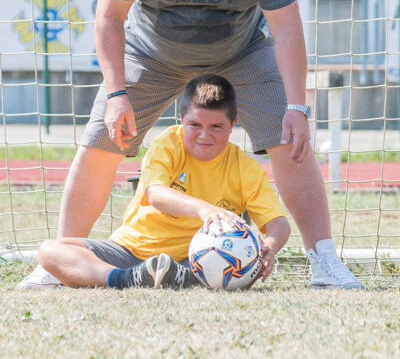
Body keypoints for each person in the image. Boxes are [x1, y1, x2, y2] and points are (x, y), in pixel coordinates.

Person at [19, 0, 363, 290]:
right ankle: (58, 261)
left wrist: (297, 107)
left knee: (291, 138)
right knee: (102, 138)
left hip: (241, 49)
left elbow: (286, 27)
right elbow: (109, 17)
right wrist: (116, 94)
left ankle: (324, 261)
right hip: (152, 51)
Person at [38, 75, 290, 289]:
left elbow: (278, 223)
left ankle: (182, 278)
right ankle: (128, 278)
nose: (205, 135)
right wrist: (206, 209)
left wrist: (269, 246)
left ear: (233, 125)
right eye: (194, 125)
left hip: (191, 261)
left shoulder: (244, 167)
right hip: (130, 250)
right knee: (50, 250)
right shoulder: (168, 144)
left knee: (232, 268)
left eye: (216, 126)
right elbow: (156, 195)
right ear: (181, 120)